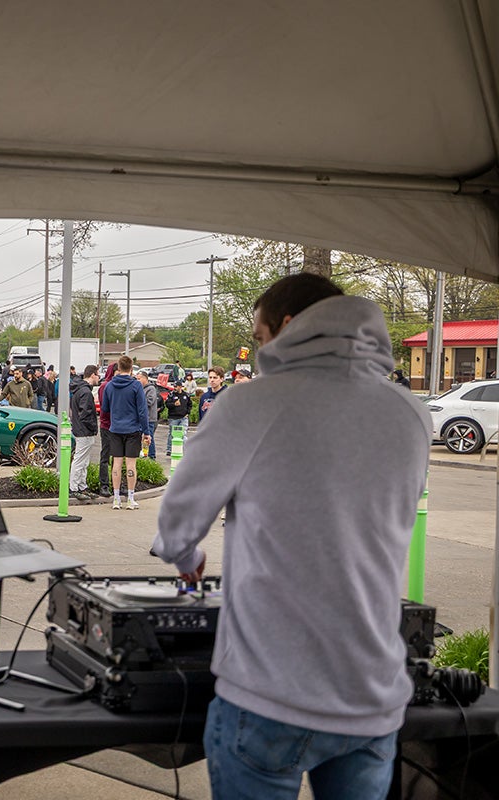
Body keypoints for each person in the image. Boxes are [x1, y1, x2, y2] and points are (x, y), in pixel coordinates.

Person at [152, 274, 431, 799]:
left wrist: (188, 556)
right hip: (373, 696)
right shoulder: (411, 413)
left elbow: (175, 526)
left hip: (269, 695)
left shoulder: (250, 404)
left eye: (257, 339)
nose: (257, 352)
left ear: (284, 327)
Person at [100, 355, 149, 509]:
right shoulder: (136, 386)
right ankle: (130, 498)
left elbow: (105, 408)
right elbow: (142, 410)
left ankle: (116, 499)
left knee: (116, 463)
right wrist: (146, 432)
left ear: (118, 367)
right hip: (132, 429)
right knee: (131, 464)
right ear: (131, 368)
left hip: (115, 429)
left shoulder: (109, 386)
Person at [68, 365, 101, 498]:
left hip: (80, 429)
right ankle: (74, 487)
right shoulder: (86, 392)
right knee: (80, 459)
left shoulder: (78, 390)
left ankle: (82, 486)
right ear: (92, 375)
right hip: (85, 431)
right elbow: (86, 413)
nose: (99, 378)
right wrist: (93, 427)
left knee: (83, 460)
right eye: (98, 375)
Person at [93, 362, 119, 497]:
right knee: (106, 456)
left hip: (118, 427)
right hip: (107, 426)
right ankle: (103, 484)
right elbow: (105, 407)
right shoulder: (105, 386)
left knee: (118, 458)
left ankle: (117, 485)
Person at [164, 380, 192, 456]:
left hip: (183, 417)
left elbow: (190, 404)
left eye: (176, 386)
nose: (175, 388)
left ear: (180, 387)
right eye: (174, 386)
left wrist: (188, 412)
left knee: (183, 434)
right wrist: (174, 404)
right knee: (172, 434)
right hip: (173, 417)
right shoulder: (171, 395)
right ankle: (169, 449)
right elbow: (167, 404)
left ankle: (184, 450)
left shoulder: (186, 395)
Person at [136, 372, 159, 459]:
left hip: (149, 418)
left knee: (149, 438)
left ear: (145, 378)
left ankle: (151, 456)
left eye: (139, 379)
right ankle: (143, 455)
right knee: (140, 438)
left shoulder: (151, 389)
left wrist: (139, 402)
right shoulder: (140, 389)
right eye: (136, 379)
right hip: (140, 418)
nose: (138, 381)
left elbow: (149, 401)